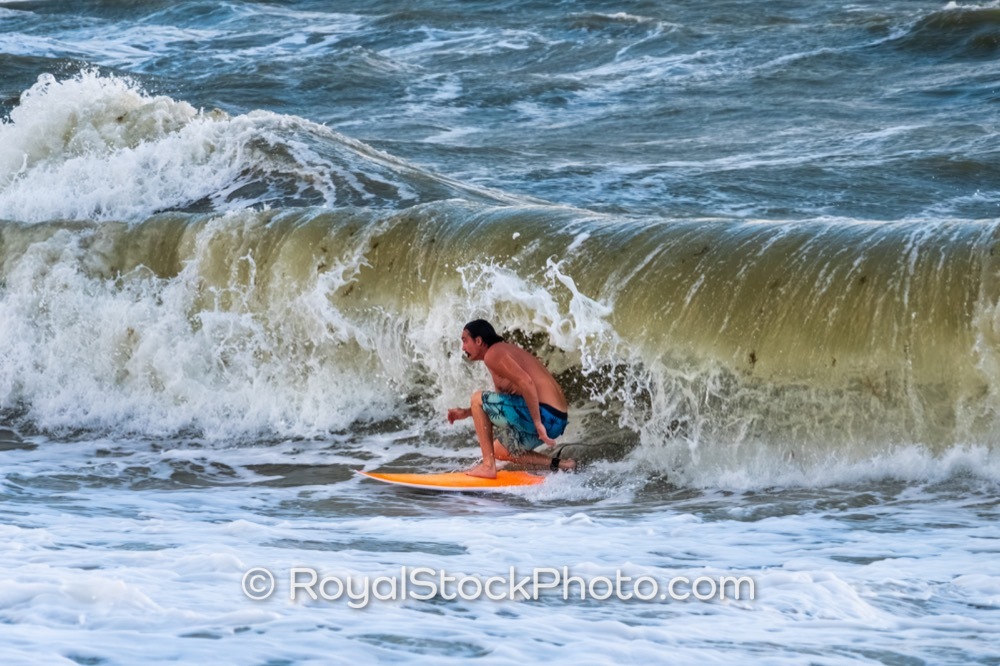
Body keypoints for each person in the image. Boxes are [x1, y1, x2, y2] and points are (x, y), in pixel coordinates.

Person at [448, 319, 575, 478]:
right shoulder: (503, 353)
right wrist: (466, 412)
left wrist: (537, 423)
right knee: (500, 451)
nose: (463, 347)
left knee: (477, 398)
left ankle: (488, 467)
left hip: (545, 415)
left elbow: (526, 382)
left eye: (465, 341)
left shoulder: (494, 354)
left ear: (479, 340)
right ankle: (563, 465)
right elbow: (502, 403)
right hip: (557, 419)